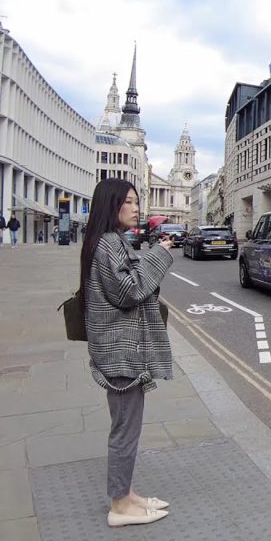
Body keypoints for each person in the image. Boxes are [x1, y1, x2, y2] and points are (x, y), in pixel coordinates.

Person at [80, 178, 174, 527]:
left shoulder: (110, 240)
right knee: (125, 430)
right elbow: (129, 292)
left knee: (127, 428)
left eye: (137, 201)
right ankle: (119, 506)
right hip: (120, 351)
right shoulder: (108, 244)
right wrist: (160, 255)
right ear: (112, 204)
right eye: (131, 201)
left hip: (120, 348)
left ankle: (127, 494)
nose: (136, 207)